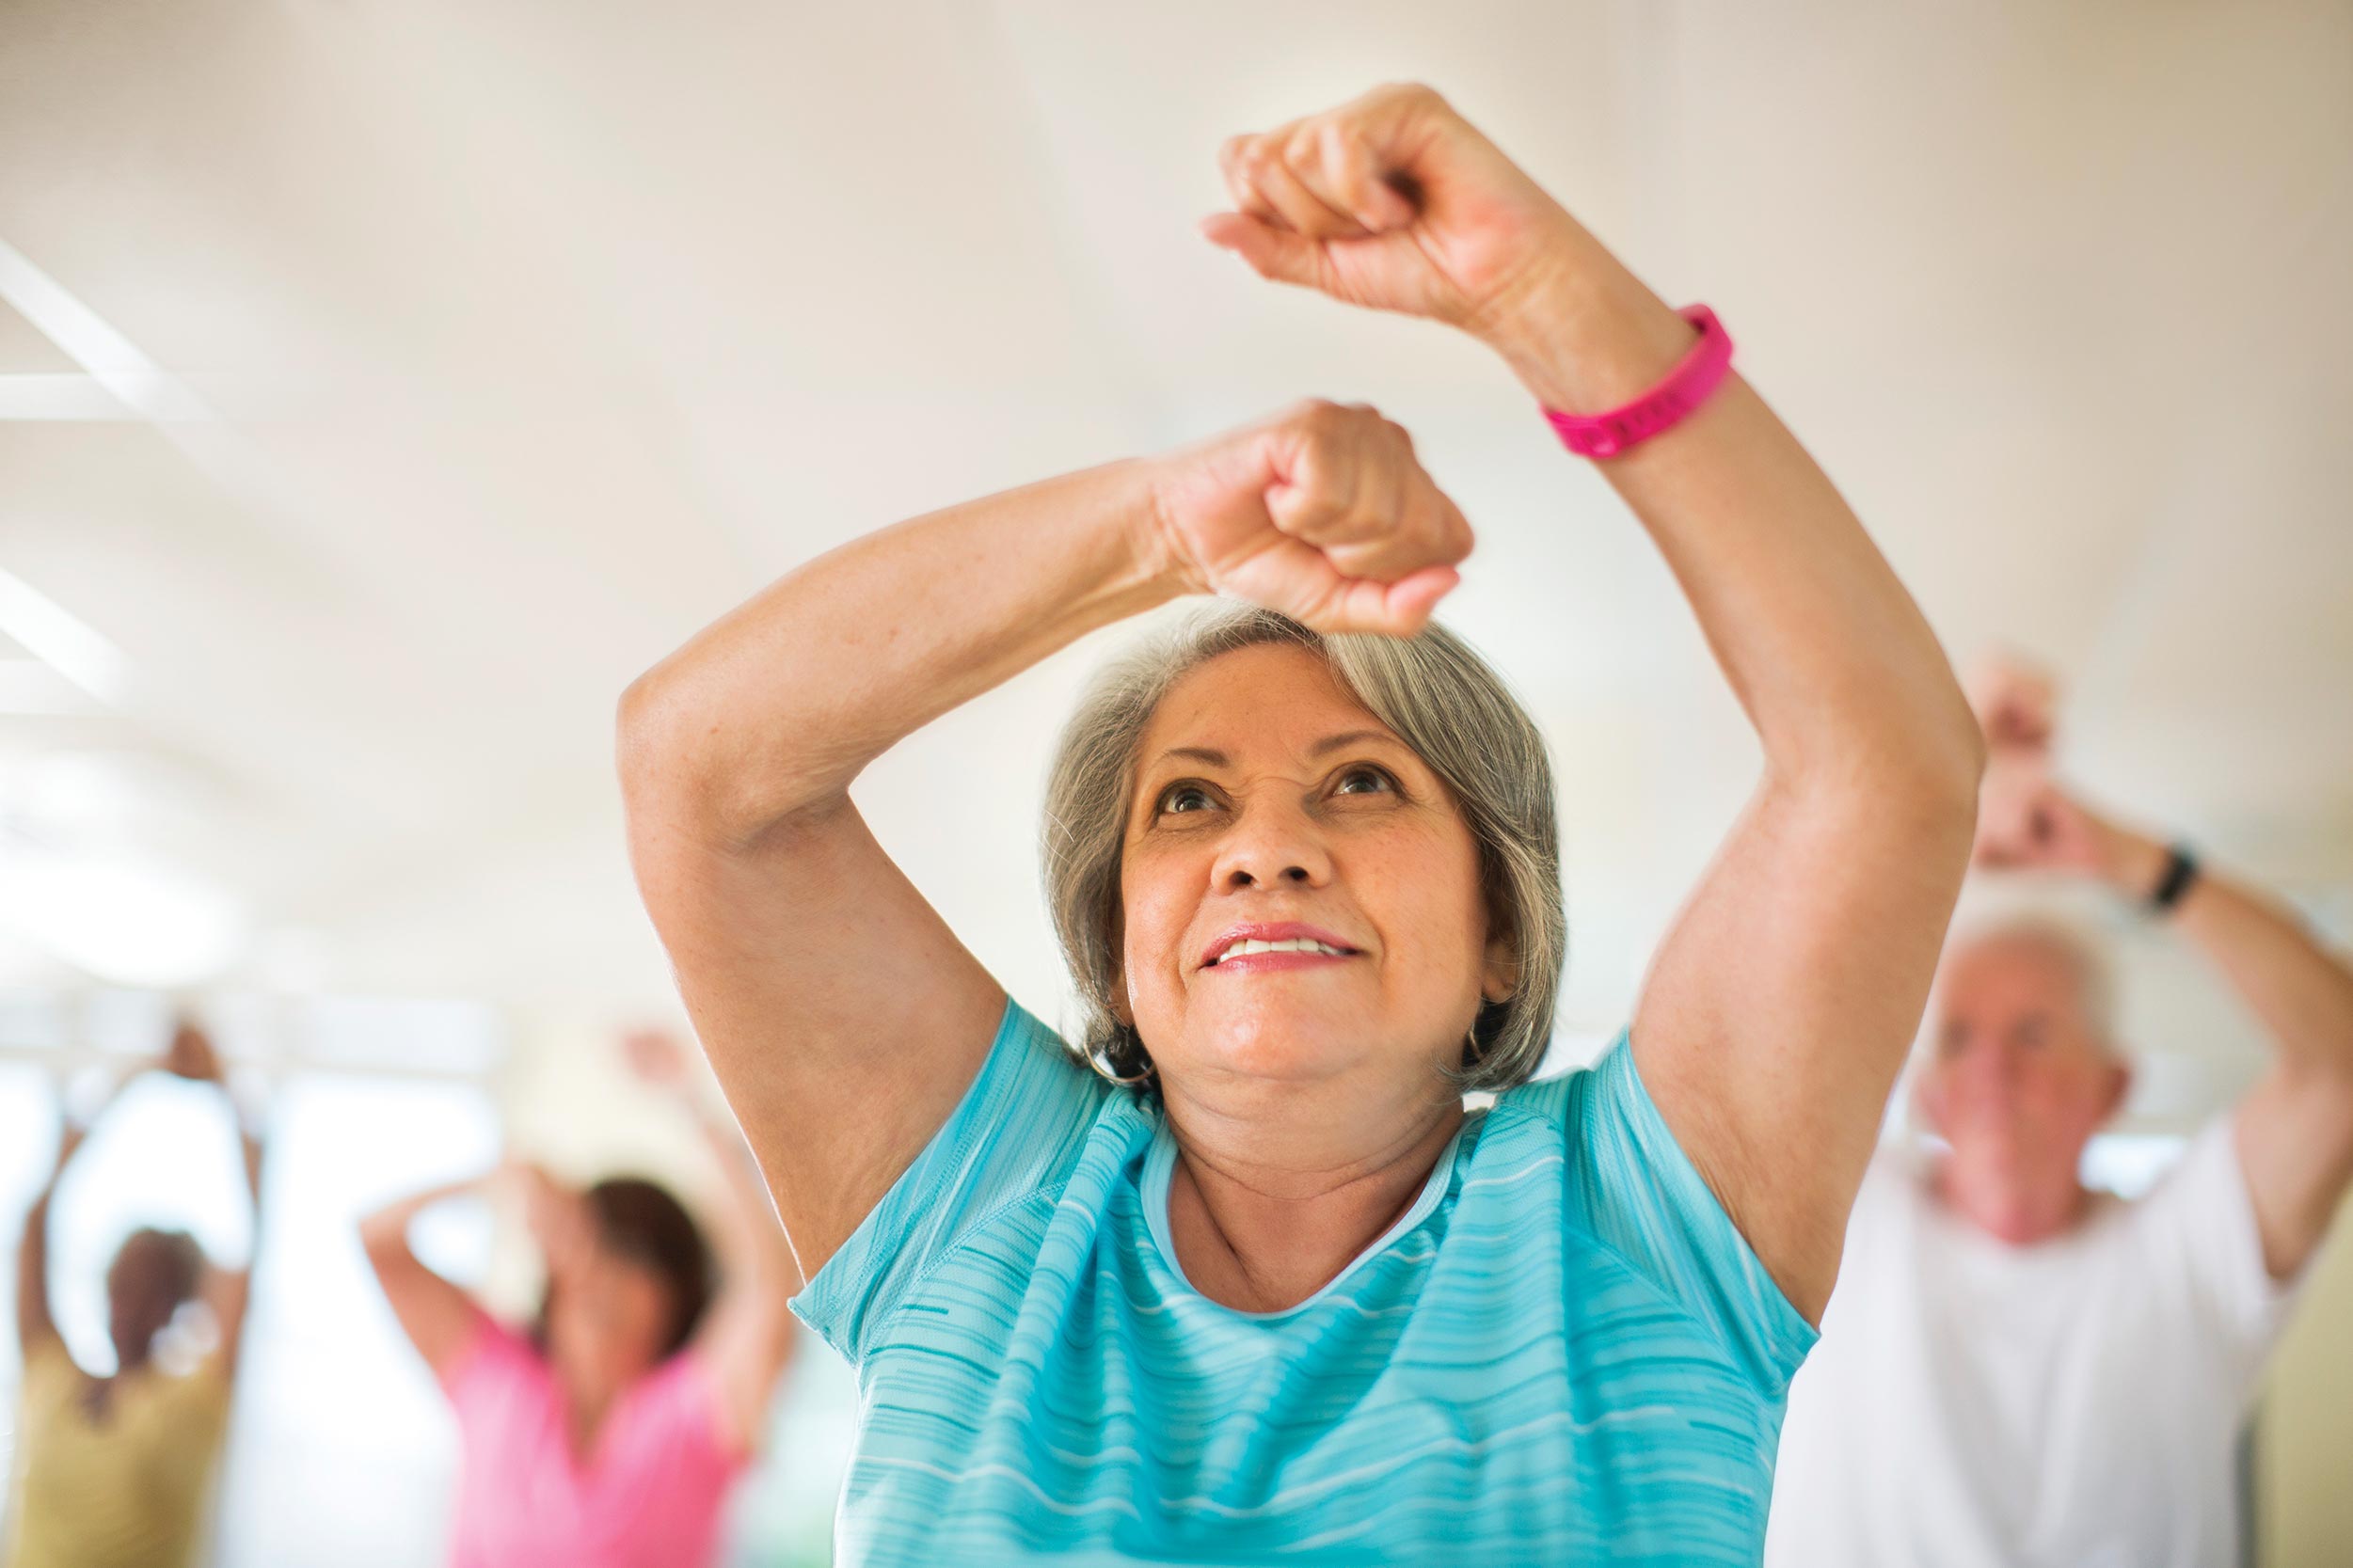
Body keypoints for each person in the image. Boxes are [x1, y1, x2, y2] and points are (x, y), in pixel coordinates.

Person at [616, 82, 1985, 1564]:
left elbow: (1882, 769)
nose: (1261, 850)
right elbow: (701, 768)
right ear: (1119, 936)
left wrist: (1549, 302)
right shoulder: (988, 1211)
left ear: (1502, 935)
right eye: (1187, 801)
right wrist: (1159, 530)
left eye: (1362, 780)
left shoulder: (1633, 1230)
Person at [1763, 660, 2353, 1568]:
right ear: (1929, 1093)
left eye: (2033, 1033)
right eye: (1957, 1038)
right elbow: (1783, 987)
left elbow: (2337, 1069)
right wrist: (1938, 780)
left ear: (2112, 1086)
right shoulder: (1851, 1227)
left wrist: (2133, 861)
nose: (1991, 1067)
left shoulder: (2188, 1258)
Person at [358, 1028, 798, 1568]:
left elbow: (770, 1282)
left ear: (676, 1298)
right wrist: (494, 1181)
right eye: (592, 1250)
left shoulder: (694, 1414)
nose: (602, 1277)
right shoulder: (496, 1375)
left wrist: (694, 1108)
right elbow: (377, 1239)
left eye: (634, 1259)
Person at [6, 1022, 265, 1568]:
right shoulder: (51, 1375)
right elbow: (33, 1223)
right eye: (124, 1282)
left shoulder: (190, 1404)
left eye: (152, 1290)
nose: (131, 1302)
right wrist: (132, 1079)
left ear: (179, 1306)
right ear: (103, 1283)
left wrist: (224, 1091)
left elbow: (250, 1247)